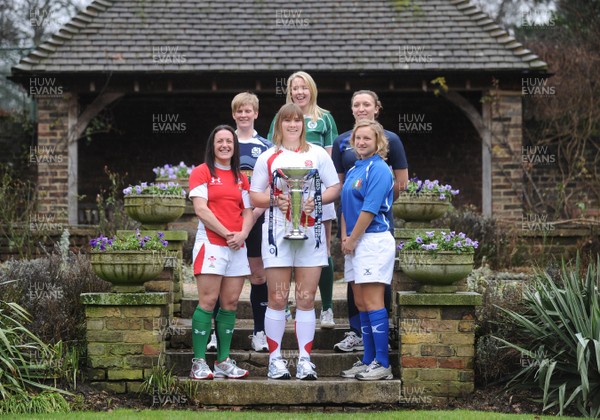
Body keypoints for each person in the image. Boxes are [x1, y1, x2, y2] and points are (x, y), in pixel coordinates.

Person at [250, 103, 340, 380]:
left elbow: (335, 187)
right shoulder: (268, 156)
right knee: (277, 298)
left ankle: (304, 360)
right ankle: (275, 360)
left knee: (305, 298)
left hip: (310, 233)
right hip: (278, 234)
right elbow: (254, 196)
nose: (292, 125)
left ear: (303, 124)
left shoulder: (317, 155)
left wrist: (317, 200)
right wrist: (275, 200)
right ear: (279, 125)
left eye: (297, 120)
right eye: (286, 120)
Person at [331, 90, 409, 353]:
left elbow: (398, 185)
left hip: (373, 232)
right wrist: (346, 236)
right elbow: (343, 194)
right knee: (360, 296)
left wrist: (378, 201)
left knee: (375, 296)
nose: (361, 108)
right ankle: (366, 352)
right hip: (352, 234)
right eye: (356, 104)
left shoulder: (382, 160)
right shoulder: (352, 163)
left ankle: (380, 357)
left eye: (366, 104)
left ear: (377, 107)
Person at [268, 71, 339, 329]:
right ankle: (284, 306)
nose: (299, 92)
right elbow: (271, 151)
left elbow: (329, 159)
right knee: (287, 246)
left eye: (304, 87)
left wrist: (319, 196)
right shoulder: (281, 117)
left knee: (322, 248)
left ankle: (328, 308)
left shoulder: (326, 118)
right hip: (286, 195)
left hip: (318, 195)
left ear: (312, 90)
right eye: (294, 88)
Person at [188, 125, 253, 380]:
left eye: (229, 141)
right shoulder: (202, 172)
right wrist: (227, 233)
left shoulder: (240, 176)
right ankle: (199, 361)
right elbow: (201, 210)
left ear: (235, 145)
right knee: (208, 301)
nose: (225, 145)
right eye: (220, 141)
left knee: (230, 303)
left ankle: (223, 360)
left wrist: (243, 233)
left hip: (237, 245)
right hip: (213, 243)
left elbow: (247, 210)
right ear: (212, 146)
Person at [339, 119, 396, 381]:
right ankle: (368, 359)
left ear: (378, 143)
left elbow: (370, 209)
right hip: (354, 241)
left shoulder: (380, 168)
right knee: (361, 302)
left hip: (372, 240)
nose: (361, 142)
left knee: (373, 301)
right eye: (358, 138)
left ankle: (383, 363)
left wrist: (352, 239)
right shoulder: (354, 168)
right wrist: (345, 237)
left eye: (367, 139)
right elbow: (345, 206)